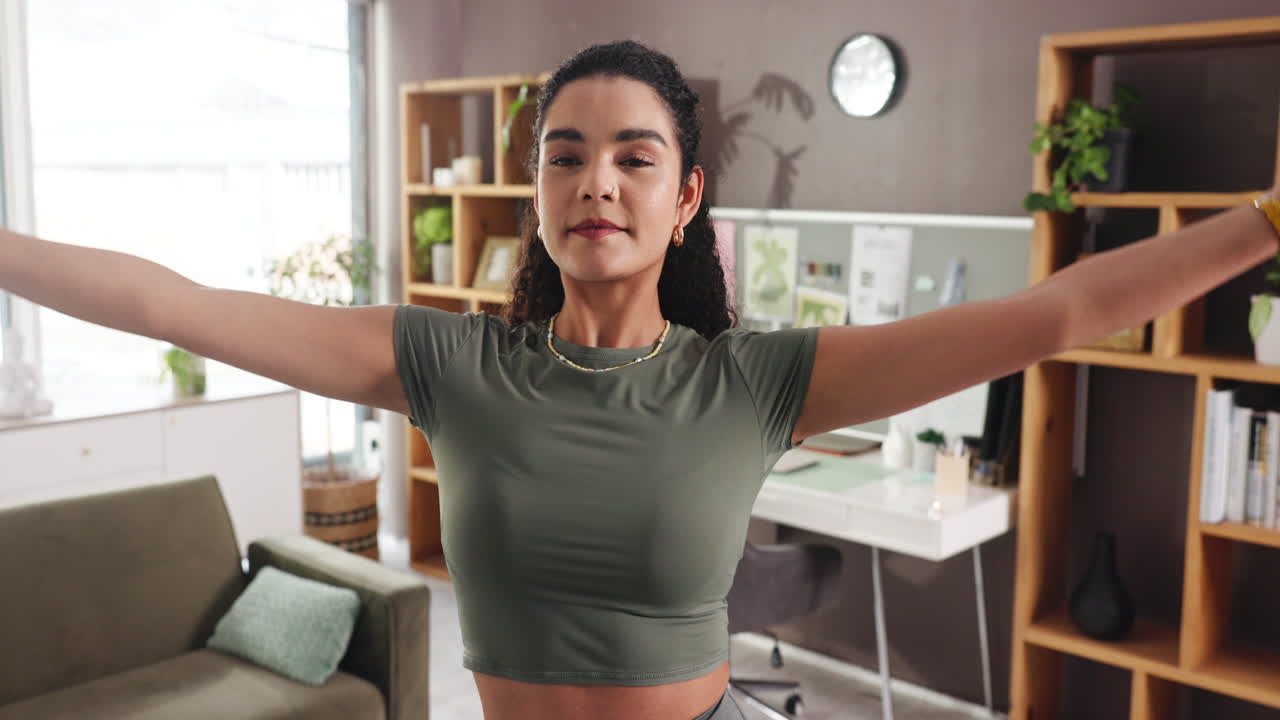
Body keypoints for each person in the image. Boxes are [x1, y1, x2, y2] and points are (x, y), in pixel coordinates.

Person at [1, 38, 1278, 720]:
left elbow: (1058, 307)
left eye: (630, 155)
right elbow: (174, 302)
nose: (592, 181)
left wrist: (1265, 221)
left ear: (684, 201)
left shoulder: (756, 382)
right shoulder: (447, 361)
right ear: (536, 194)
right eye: (562, 157)